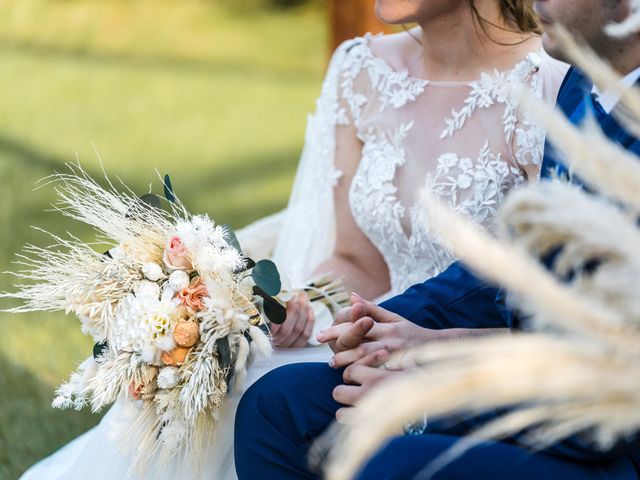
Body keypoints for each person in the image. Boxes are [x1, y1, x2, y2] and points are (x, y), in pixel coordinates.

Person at [20, 1, 566, 479]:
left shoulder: (550, 87)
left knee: (273, 397)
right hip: (358, 326)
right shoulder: (362, 70)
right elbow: (356, 259)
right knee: (233, 374)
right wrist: (305, 301)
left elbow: (555, 298)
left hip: (465, 348)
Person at [233, 0, 640, 479]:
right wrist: (404, 328)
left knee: (391, 462)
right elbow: (519, 258)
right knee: (277, 407)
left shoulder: (545, 80)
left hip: (606, 427)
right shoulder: (583, 86)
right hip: (527, 363)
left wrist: (432, 395)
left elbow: (612, 379)